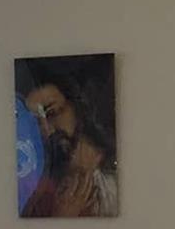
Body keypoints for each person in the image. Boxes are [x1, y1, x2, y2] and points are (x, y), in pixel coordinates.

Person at [18, 62, 118, 218]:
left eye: (52, 113)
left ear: (76, 108)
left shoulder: (115, 171)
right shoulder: (36, 188)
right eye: (36, 122)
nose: (47, 130)